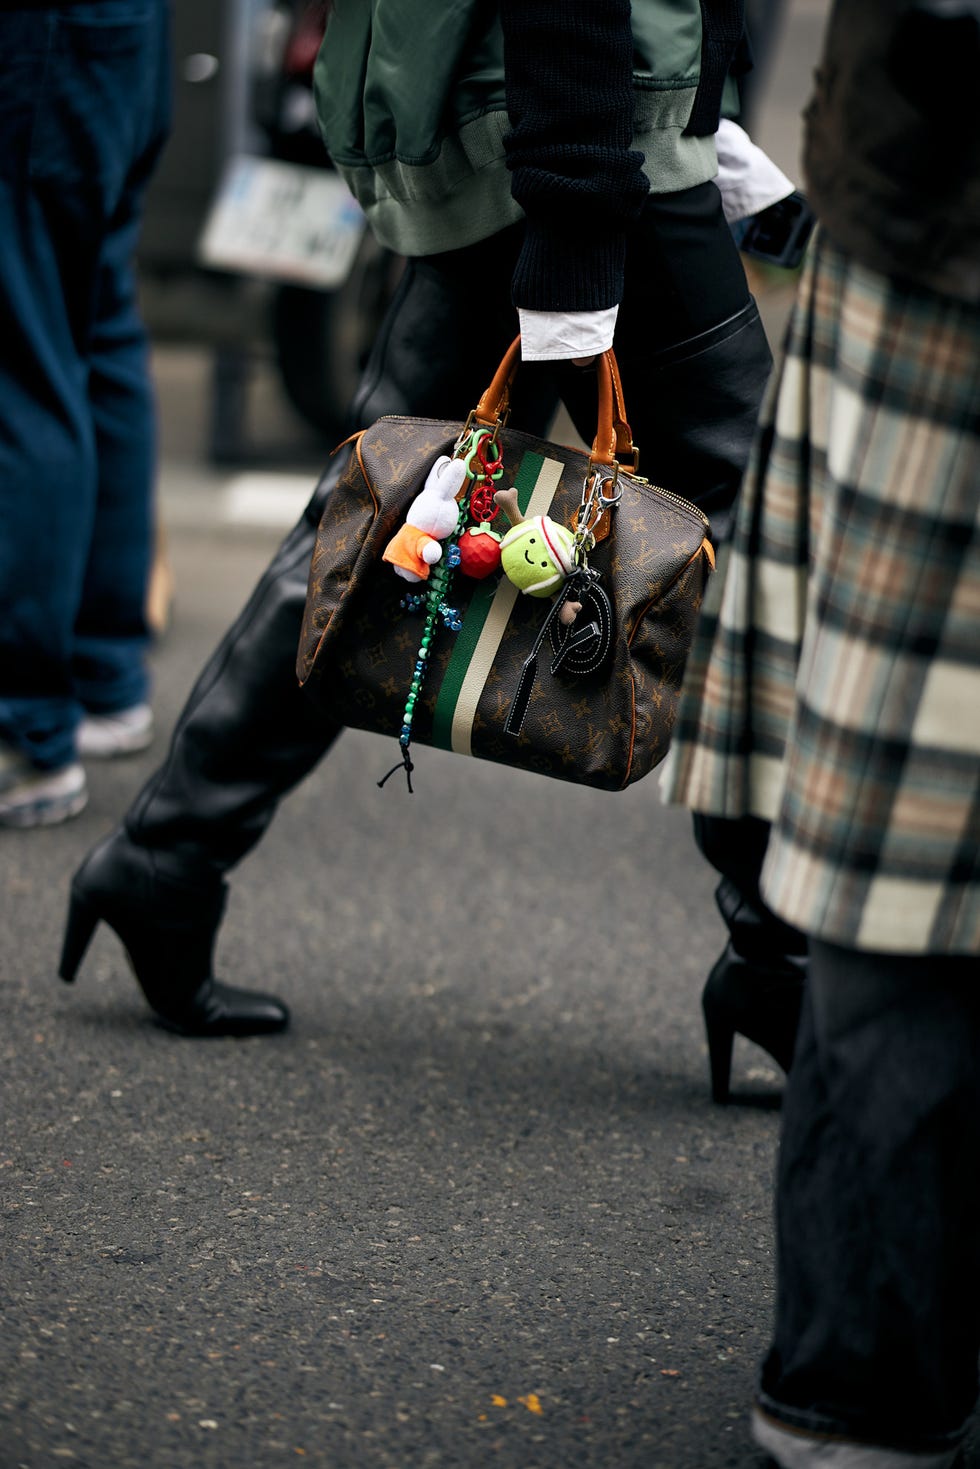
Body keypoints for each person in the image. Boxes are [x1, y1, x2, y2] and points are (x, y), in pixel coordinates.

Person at [58, 0, 791, 1040]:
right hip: (571, 123)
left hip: (535, 124)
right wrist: (589, 189)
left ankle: (163, 859)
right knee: (760, 539)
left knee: (388, 519)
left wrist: (695, 119)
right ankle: (783, 951)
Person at [662, 0, 980, 1461]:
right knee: (908, 848)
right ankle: (853, 1385)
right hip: (942, 209)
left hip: (908, 179)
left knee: (890, 819)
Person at [0, 0, 170, 828]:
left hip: (36, 42)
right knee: (91, 325)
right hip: (119, 32)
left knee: (23, 361)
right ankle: (102, 674)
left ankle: (24, 728)